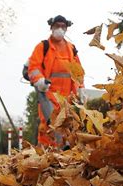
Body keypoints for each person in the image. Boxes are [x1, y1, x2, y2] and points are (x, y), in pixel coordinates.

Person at [27, 15, 85, 147]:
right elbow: (33, 67)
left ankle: (63, 157)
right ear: (51, 28)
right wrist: (39, 80)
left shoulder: (72, 48)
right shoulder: (43, 46)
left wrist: (81, 88)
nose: (60, 29)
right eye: (57, 26)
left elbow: (78, 71)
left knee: (67, 126)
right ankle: (45, 155)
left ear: (66, 28)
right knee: (48, 125)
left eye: (63, 26)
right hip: (48, 94)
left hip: (67, 98)